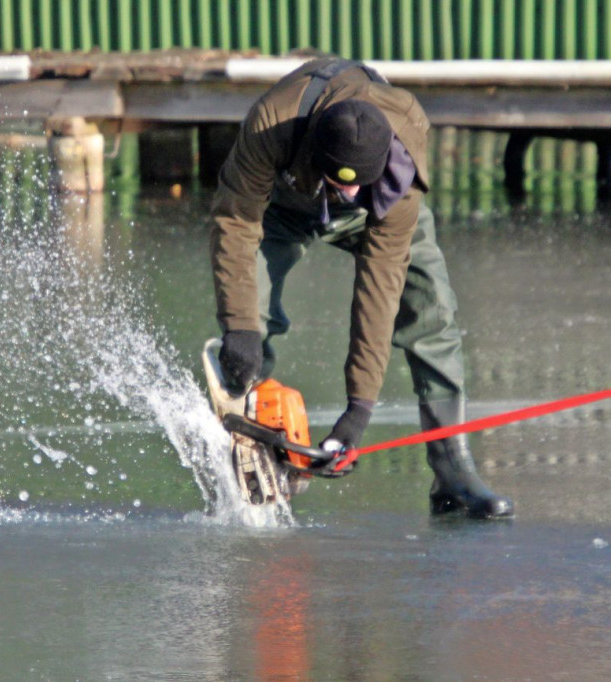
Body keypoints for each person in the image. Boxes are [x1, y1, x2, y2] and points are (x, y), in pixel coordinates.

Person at [208, 57, 513, 519]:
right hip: (284, 206)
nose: (346, 192)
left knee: (431, 315)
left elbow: (379, 284)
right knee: (252, 317)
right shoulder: (272, 122)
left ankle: (453, 470)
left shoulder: (404, 156)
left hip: (380, 208)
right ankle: (248, 444)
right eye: (339, 182)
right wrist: (239, 326)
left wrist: (359, 409)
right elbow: (235, 218)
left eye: (356, 184)